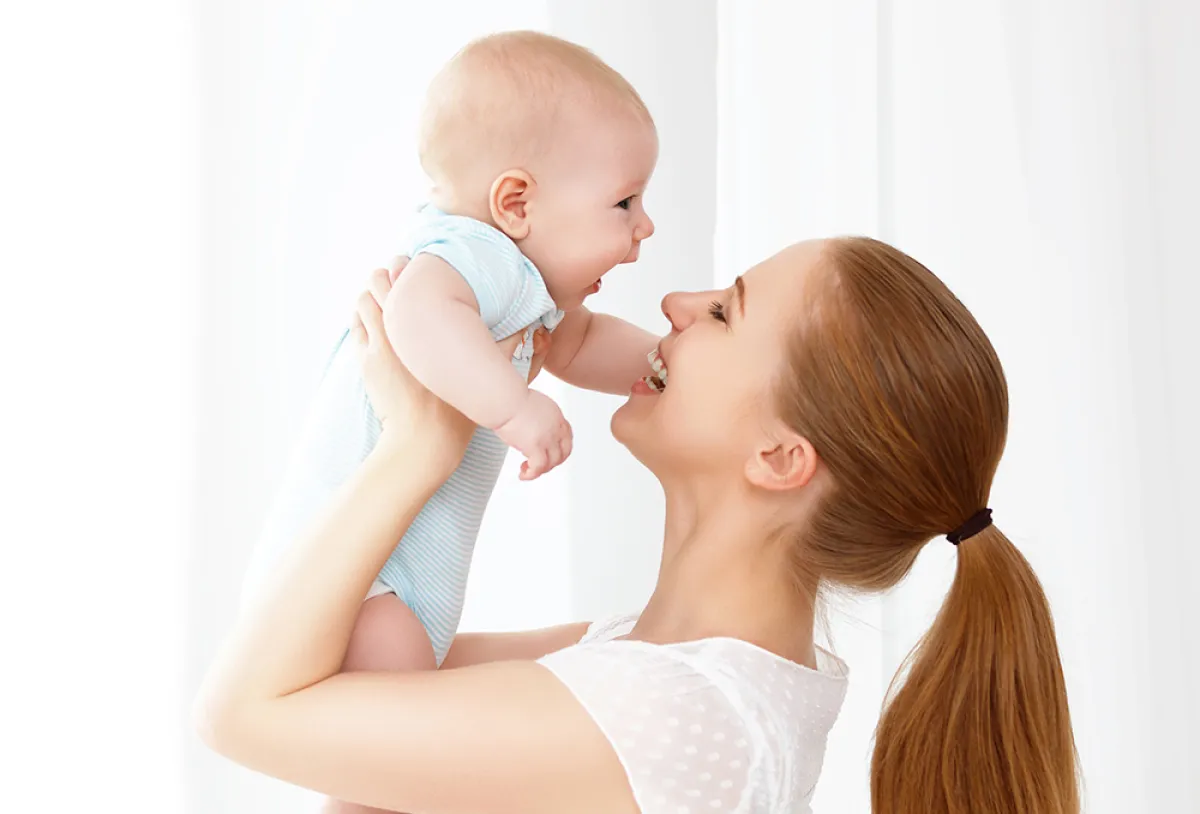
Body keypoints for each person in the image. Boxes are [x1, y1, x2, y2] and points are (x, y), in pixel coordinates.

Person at [197, 239, 1081, 814]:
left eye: (725, 312)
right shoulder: (661, 669)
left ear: (780, 457)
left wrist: (416, 449)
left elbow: (246, 712)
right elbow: (327, 668)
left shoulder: (667, 715)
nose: (678, 303)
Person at [240, 28, 659, 699]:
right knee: (393, 724)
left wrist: (661, 364)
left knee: (391, 737)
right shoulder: (475, 254)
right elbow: (416, 314)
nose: (645, 225)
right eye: (624, 202)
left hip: (386, 572)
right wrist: (514, 408)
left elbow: (579, 343)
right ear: (515, 204)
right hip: (358, 576)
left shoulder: (521, 287)